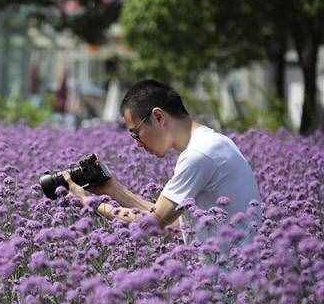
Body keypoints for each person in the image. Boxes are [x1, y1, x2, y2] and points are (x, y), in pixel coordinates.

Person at [63, 79, 261, 243]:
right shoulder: (214, 143)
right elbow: (176, 225)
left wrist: (87, 202)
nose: (137, 144)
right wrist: (114, 191)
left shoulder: (198, 155)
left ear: (158, 117)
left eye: (136, 133)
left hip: (229, 283)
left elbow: (151, 224)